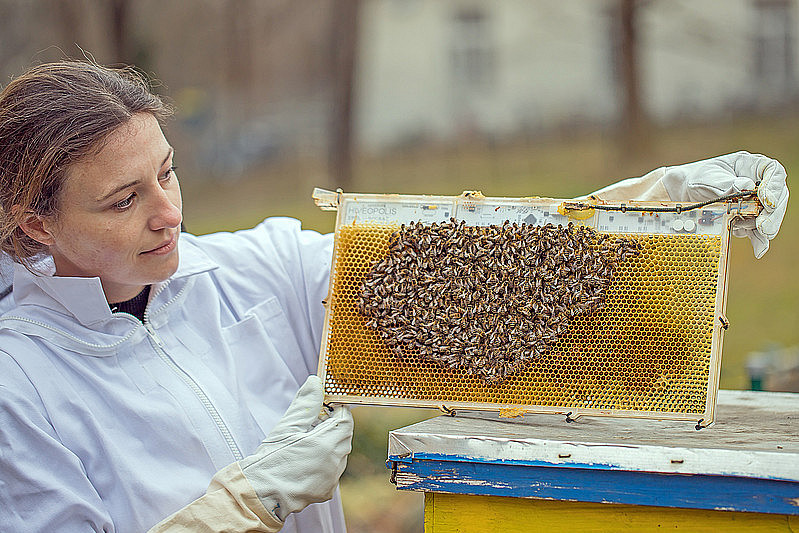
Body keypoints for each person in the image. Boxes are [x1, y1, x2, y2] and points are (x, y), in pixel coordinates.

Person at [0, 60, 788, 533]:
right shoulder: (18, 384)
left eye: (167, 170)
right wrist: (239, 504)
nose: (169, 212)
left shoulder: (256, 269)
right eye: (123, 199)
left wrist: (654, 210)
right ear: (35, 220)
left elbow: (481, 275)